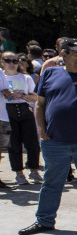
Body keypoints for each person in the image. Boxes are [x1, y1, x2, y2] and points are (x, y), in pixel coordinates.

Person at [19, 39, 77, 234]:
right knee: (52, 182)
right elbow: (40, 105)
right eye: (76, 53)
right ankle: (44, 220)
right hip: (54, 141)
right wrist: (42, 132)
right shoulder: (49, 74)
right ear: (64, 54)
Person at [2, 51, 41, 184]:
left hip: (24, 108)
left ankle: (34, 170)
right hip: (7, 111)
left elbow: (34, 96)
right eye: (8, 60)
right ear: (2, 62)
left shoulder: (25, 78)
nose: (11, 64)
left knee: (32, 143)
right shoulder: (2, 77)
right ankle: (19, 173)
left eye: (14, 61)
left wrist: (22, 96)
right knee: (14, 144)